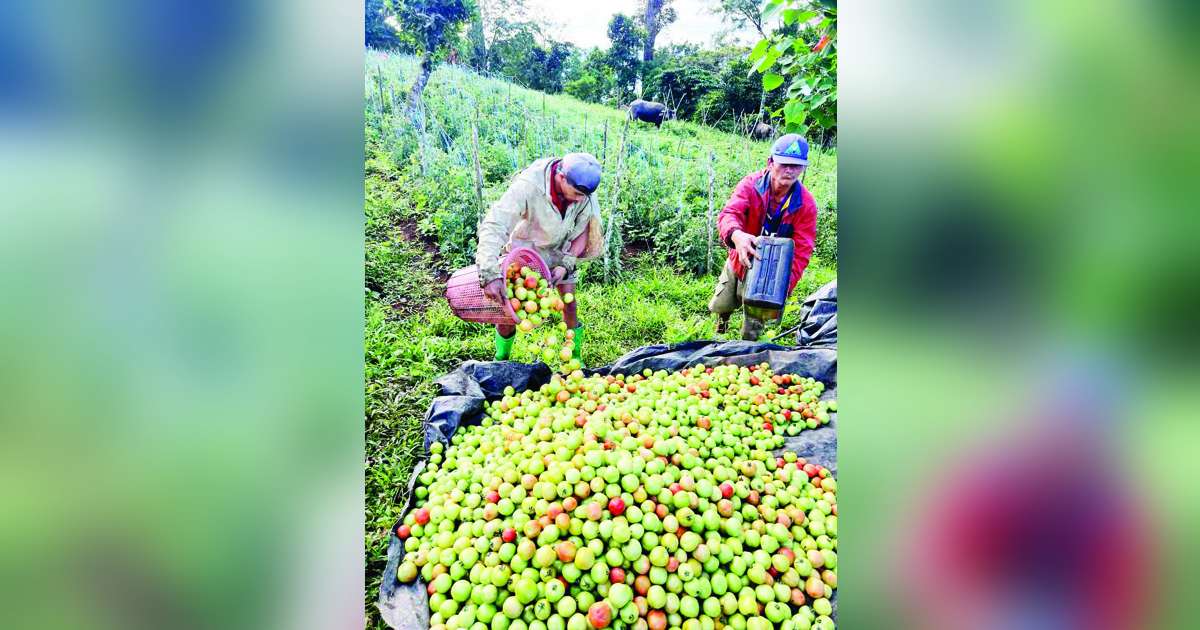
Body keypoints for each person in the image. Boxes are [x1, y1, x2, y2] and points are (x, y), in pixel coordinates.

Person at [476, 152, 605, 363]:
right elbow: (496, 224)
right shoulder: (529, 185)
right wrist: (489, 273)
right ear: (561, 177)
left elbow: (585, 230)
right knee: (510, 310)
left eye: (584, 196)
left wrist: (566, 263)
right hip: (524, 254)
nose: (580, 200)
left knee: (569, 304)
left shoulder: (583, 189)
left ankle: (574, 356)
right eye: (576, 194)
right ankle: (501, 359)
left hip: (560, 251)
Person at [711, 133, 820, 340]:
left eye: (796, 166)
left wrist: (784, 285)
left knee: (754, 323)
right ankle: (721, 328)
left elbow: (802, 250)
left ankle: (748, 350)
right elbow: (729, 214)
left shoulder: (805, 204)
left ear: (803, 168)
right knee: (723, 302)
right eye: (784, 163)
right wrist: (736, 235)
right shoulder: (751, 185)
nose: (789, 170)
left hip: (772, 269)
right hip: (740, 256)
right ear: (770, 163)